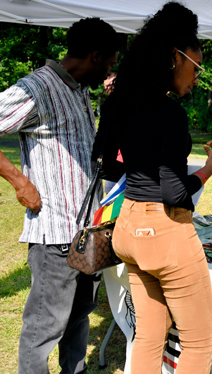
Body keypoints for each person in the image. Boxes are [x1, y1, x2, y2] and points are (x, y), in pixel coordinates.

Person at [93, 2, 212, 373]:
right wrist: (208, 169)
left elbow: (109, 162)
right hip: (164, 232)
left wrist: (144, 163)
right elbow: (175, 193)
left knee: (150, 334)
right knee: (198, 342)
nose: (197, 77)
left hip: (129, 230)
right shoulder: (169, 113)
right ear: (175, 57)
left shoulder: (120, 103)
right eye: (197, 67)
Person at [0, 18, 120, 374]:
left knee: (79, 318)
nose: (109, 73)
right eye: (110, 64)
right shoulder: (37, 87)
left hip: (88, 233)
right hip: (54, 235)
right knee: (43, 328)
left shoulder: (80, 89)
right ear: (95, 56)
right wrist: (19, 181)